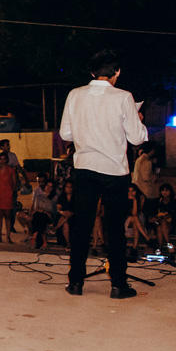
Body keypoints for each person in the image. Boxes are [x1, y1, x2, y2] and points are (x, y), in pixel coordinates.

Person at [58, 49, 149, 298]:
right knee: (114, 229)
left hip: (85, 168)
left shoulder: (75, 95)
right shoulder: (123, 97)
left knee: (81, 226)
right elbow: (136, 137)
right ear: (117, 72)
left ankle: (75, 282)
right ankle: (118, 285)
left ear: (92, 72)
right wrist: (138, 119)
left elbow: (65, 134)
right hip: (113, 171)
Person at [0, 153, 18, 243]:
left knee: (8, 216)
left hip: (8, 195)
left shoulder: (11, 170)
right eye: (1, 159)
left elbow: (14, 183)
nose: (2, 161)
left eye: (4, 159)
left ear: (7, 160)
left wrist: (13, 194)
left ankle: (8, 236)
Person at [28, 178, 58, 250]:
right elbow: (35, 208)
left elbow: (53, 210)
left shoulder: (54, 198)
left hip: (49, 216)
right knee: (39, 216)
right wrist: (40, 211)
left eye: (51, 187)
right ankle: (44, 241)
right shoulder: (39, 196)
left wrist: (45, 211)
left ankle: (34, 236)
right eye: (47, 186)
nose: (48, 188)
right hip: (39, 214)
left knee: (41, 216)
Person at [150, 183, 176, 249]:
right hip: (158, 223)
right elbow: (154, 214)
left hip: (170, 223)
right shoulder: (157, 201)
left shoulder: (174, 202)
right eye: (163, 190)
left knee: (163, 223)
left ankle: (161, 247)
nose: (164, 192)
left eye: (166, 190)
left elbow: (172, 214)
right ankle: (168, 245)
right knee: (159, 227)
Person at [125, 184, 148, 251]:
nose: (131, 193)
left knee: (135, 221)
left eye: (133, 191)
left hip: (139, 220)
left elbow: (136, 212)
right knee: (134, 218)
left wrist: (135, 200)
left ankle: (134, 248)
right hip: (127, 221)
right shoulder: (124, 198)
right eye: (129, 191)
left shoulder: (141, 198)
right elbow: (131, 214)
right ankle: (147, 238)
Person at [55, 179, 76, 248]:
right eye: (67, 187)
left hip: (74, 216)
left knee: (67, 217)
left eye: (70, 187)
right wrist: (63, 212)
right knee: (65, 222)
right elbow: (58, 208)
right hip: (63, 216)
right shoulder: (61, 197)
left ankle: (55, 228)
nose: (69, 189)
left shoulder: (76, 197)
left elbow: (77, 209)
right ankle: (68, 243)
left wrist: (70, 213)